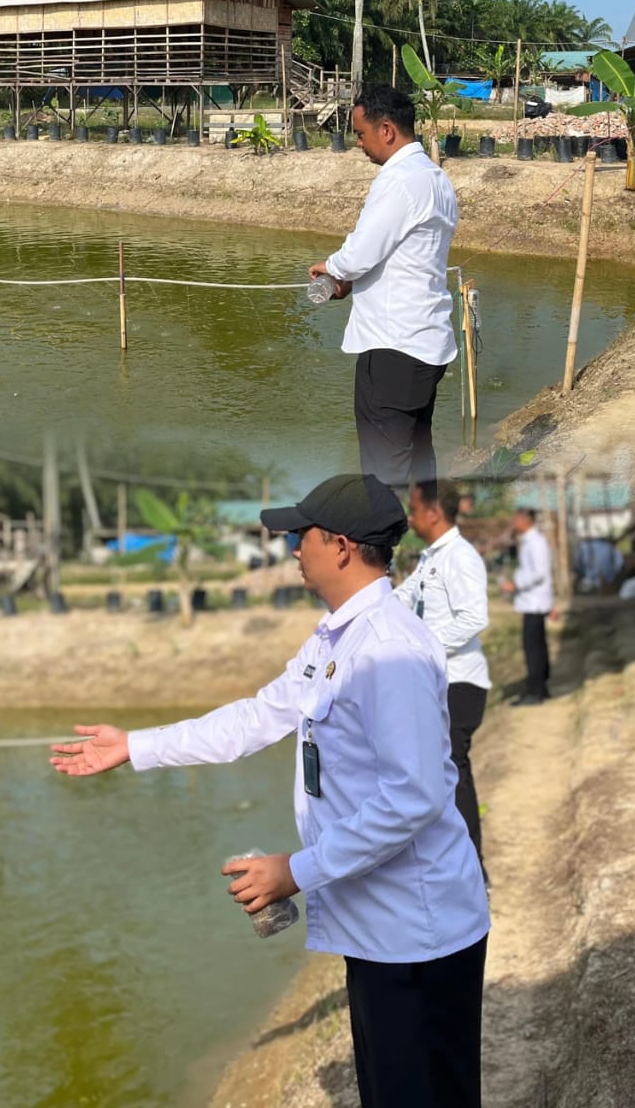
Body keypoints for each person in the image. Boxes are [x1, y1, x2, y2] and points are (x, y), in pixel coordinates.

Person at [51, 473, 489, 1108]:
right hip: (379, 924)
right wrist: (136, 746)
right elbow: (258, 717)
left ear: (339, 545)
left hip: (418, 934)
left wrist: (296, 871)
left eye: (300, 536)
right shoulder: (335, 635)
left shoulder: (388, 649)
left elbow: (414, 797)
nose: (291, 549)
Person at [308, 86, 458, 487]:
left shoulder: (400, 180)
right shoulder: (436, 178)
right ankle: (424, 536)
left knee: (383, 471)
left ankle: (383, 544)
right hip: (426, 343)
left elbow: (361, 253)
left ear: (387, 130)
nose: (358, 143)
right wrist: (349, 284)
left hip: (394, 347)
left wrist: (332, 267)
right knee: (418, 457)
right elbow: (405, 260)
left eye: (361, 134)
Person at [395, 479, 491, 871]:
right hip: (439, 681)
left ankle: (472, 867)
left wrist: (424, 643)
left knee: (455, 770)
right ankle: (450, 860)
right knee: (437, 771)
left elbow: (475, 618)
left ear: (433, 513)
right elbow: (404, 597)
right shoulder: (430, 557)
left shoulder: (459, 557)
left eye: (414, 509)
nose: (410, 517)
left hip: (461, 683)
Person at [500, 508, 554, 705]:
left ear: (525, 520)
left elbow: (539, 573)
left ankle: (536, 691)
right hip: (531, 601)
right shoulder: (528, 541)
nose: (513, 523)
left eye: (515, 520)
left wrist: (516, 584)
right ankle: (541, 687)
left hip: (535, 602)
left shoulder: (536, 543)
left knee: (533, 648)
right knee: (537, 645)